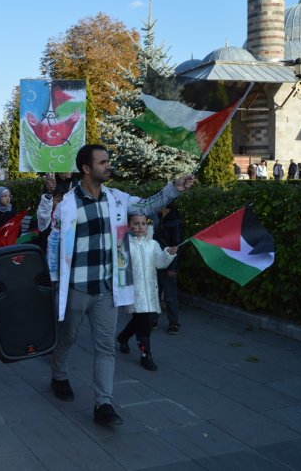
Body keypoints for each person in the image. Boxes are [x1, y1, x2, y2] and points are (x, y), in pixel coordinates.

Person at [46, 144, 194, 426]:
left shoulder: (116, 198)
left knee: (105, 347)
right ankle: (59, 375)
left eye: (108, 161)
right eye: (102, 162)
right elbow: (53, 243)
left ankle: (104, 404)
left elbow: (147, 205)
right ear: (86, 168)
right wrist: (53, 279)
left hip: (106, 289)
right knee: (67, 338)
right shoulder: (67, 205)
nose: (108, 166)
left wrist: (174, 188)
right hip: (76, 288)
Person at [116, 214, 177, 371]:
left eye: (143, 223)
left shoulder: (153, 244)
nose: (140, 226)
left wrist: (168, 254)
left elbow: (159, 264)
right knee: (144, 323)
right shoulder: (124, 244)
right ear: (129, 225)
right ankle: (146, 355)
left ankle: (123, 337)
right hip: (133, 291)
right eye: (136, 223)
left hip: (149, 290)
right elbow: (120, 266)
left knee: (140, 320)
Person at [153, 204, 183, 334]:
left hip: (168, 263)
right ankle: (152, 321)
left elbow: (177, 244)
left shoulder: (175, 222)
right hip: (157, 261)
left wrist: (173, 267)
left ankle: (173, 323)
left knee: (170, 295)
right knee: (155, 294)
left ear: (167, 207)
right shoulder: (160, 219)